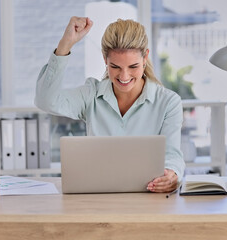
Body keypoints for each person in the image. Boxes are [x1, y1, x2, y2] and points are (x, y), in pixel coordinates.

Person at [35, 16, 185, 193]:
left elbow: (173, 154)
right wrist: (65, 45)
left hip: (149, 199)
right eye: (115, 67)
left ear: (145, 57)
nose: (124, 76)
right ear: (105, 59)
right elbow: (46, 101)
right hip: (98, 199)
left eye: (133, 66)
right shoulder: (91, 95)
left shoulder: (169, 102)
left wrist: (171, 174)